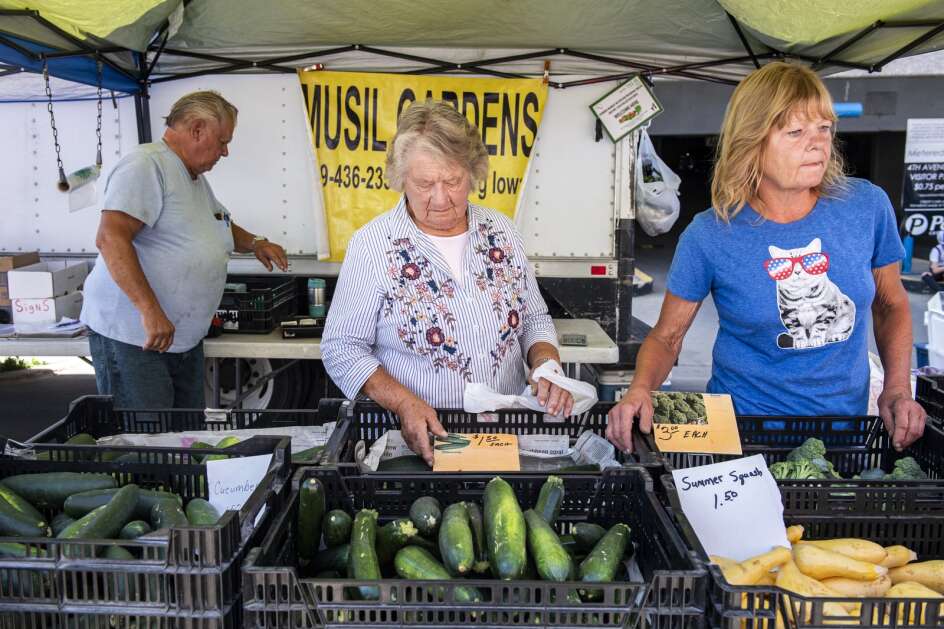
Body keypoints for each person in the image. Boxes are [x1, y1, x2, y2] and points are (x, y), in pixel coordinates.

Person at [607, 62, 926, 453]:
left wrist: (896, 388)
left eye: (824, 128)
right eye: (795, 132)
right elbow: (668, 336)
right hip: (740, 436)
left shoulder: (866, 207)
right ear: (752, 141)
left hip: (843, 436)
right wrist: (640, 390)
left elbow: (891, 304)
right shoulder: (710, 234)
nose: (817, 143)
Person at [322, 100, 573, 464]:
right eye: (424, 183)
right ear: (400, 179)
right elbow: (342, 347)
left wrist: (546, 365)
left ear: (472, 173)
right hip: (417, 439)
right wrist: (404, 403)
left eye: (453, 181)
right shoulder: (373, 244)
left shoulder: (501, 231)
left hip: (503, 434)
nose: (440, 199)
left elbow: (533, 319)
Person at [81, 91, 288, 408]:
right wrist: (150, 311)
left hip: (180, 341)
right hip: (138, 339)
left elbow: (219, 224)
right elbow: (111, 238)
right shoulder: (146, 165)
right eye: (222, 141)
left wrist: (256, 243)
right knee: (147, 444)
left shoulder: (193, 178)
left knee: (183, 440)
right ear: (197, 129)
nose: (225, 151)